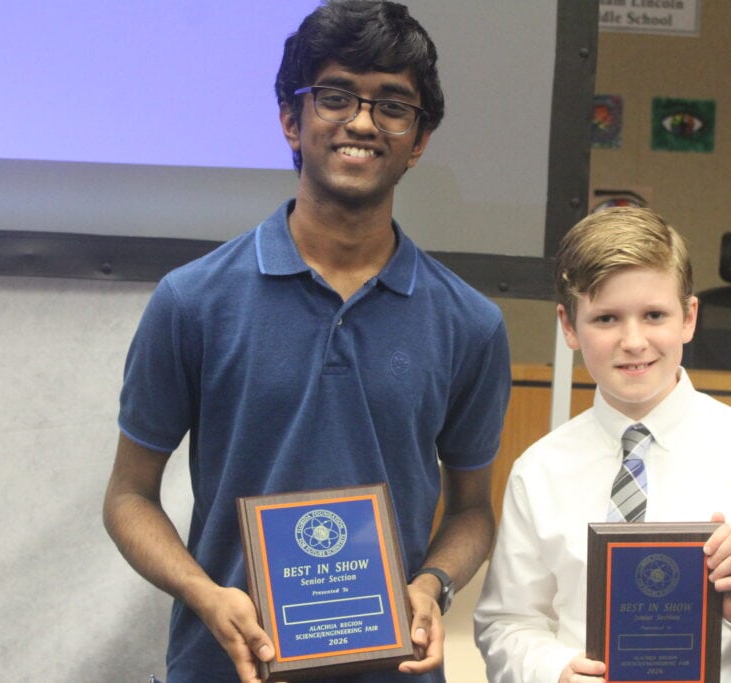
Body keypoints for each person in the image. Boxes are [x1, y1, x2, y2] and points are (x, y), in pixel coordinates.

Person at [102, 2, 511, 682]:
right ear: (292, 120)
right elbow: (128, 497)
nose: (361, 121)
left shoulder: (469, 322)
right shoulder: (193, 299)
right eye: (335, 96)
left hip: (393, 669)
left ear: (419, 140)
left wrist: (433, 583)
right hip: (224, 667)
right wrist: (206, 594)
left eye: (392, 105)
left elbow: (471, 509)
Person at [473, 207, 731, 683]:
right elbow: (505, 623)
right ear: (569, 326)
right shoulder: (540, 470)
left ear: (689, 317)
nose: (634, 341)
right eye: (606, 318)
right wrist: (555, 672)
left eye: (654, 315)